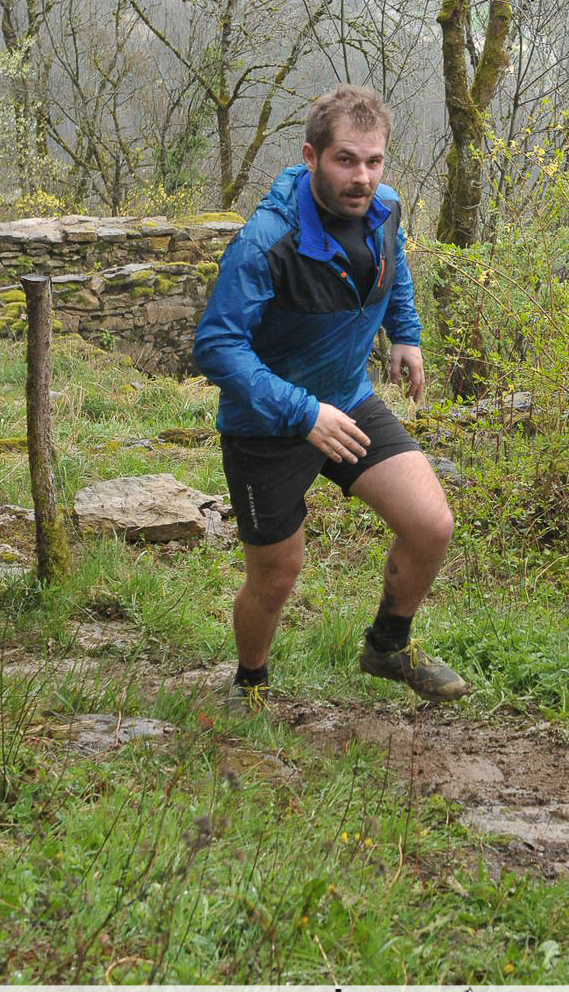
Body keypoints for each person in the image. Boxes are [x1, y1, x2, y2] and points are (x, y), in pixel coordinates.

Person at [193, 85, 466, 710]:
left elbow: (394, 265)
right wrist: (301, 411)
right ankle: (250, 683)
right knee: (276, 574)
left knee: (430, 524)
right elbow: (217, 345)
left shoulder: (385, 207)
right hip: (266, 423)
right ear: (311, 156)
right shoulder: (267, 241)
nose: (361, 177)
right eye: (346, 159)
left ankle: (387, 646)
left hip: (346, 400)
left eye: (373, 161)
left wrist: (406, 333)